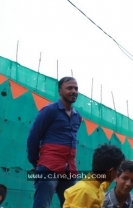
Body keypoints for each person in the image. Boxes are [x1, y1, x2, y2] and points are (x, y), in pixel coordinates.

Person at [27, 76, 82, 208]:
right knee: (42, 205)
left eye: (76, 88)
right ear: (59, 91)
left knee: (73, 205)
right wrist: (37, 162)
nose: (73, 91)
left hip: (70, 170)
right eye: (69, 88)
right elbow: (33, 137)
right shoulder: (49, 110)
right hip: (49, 167)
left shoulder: (77, 116)